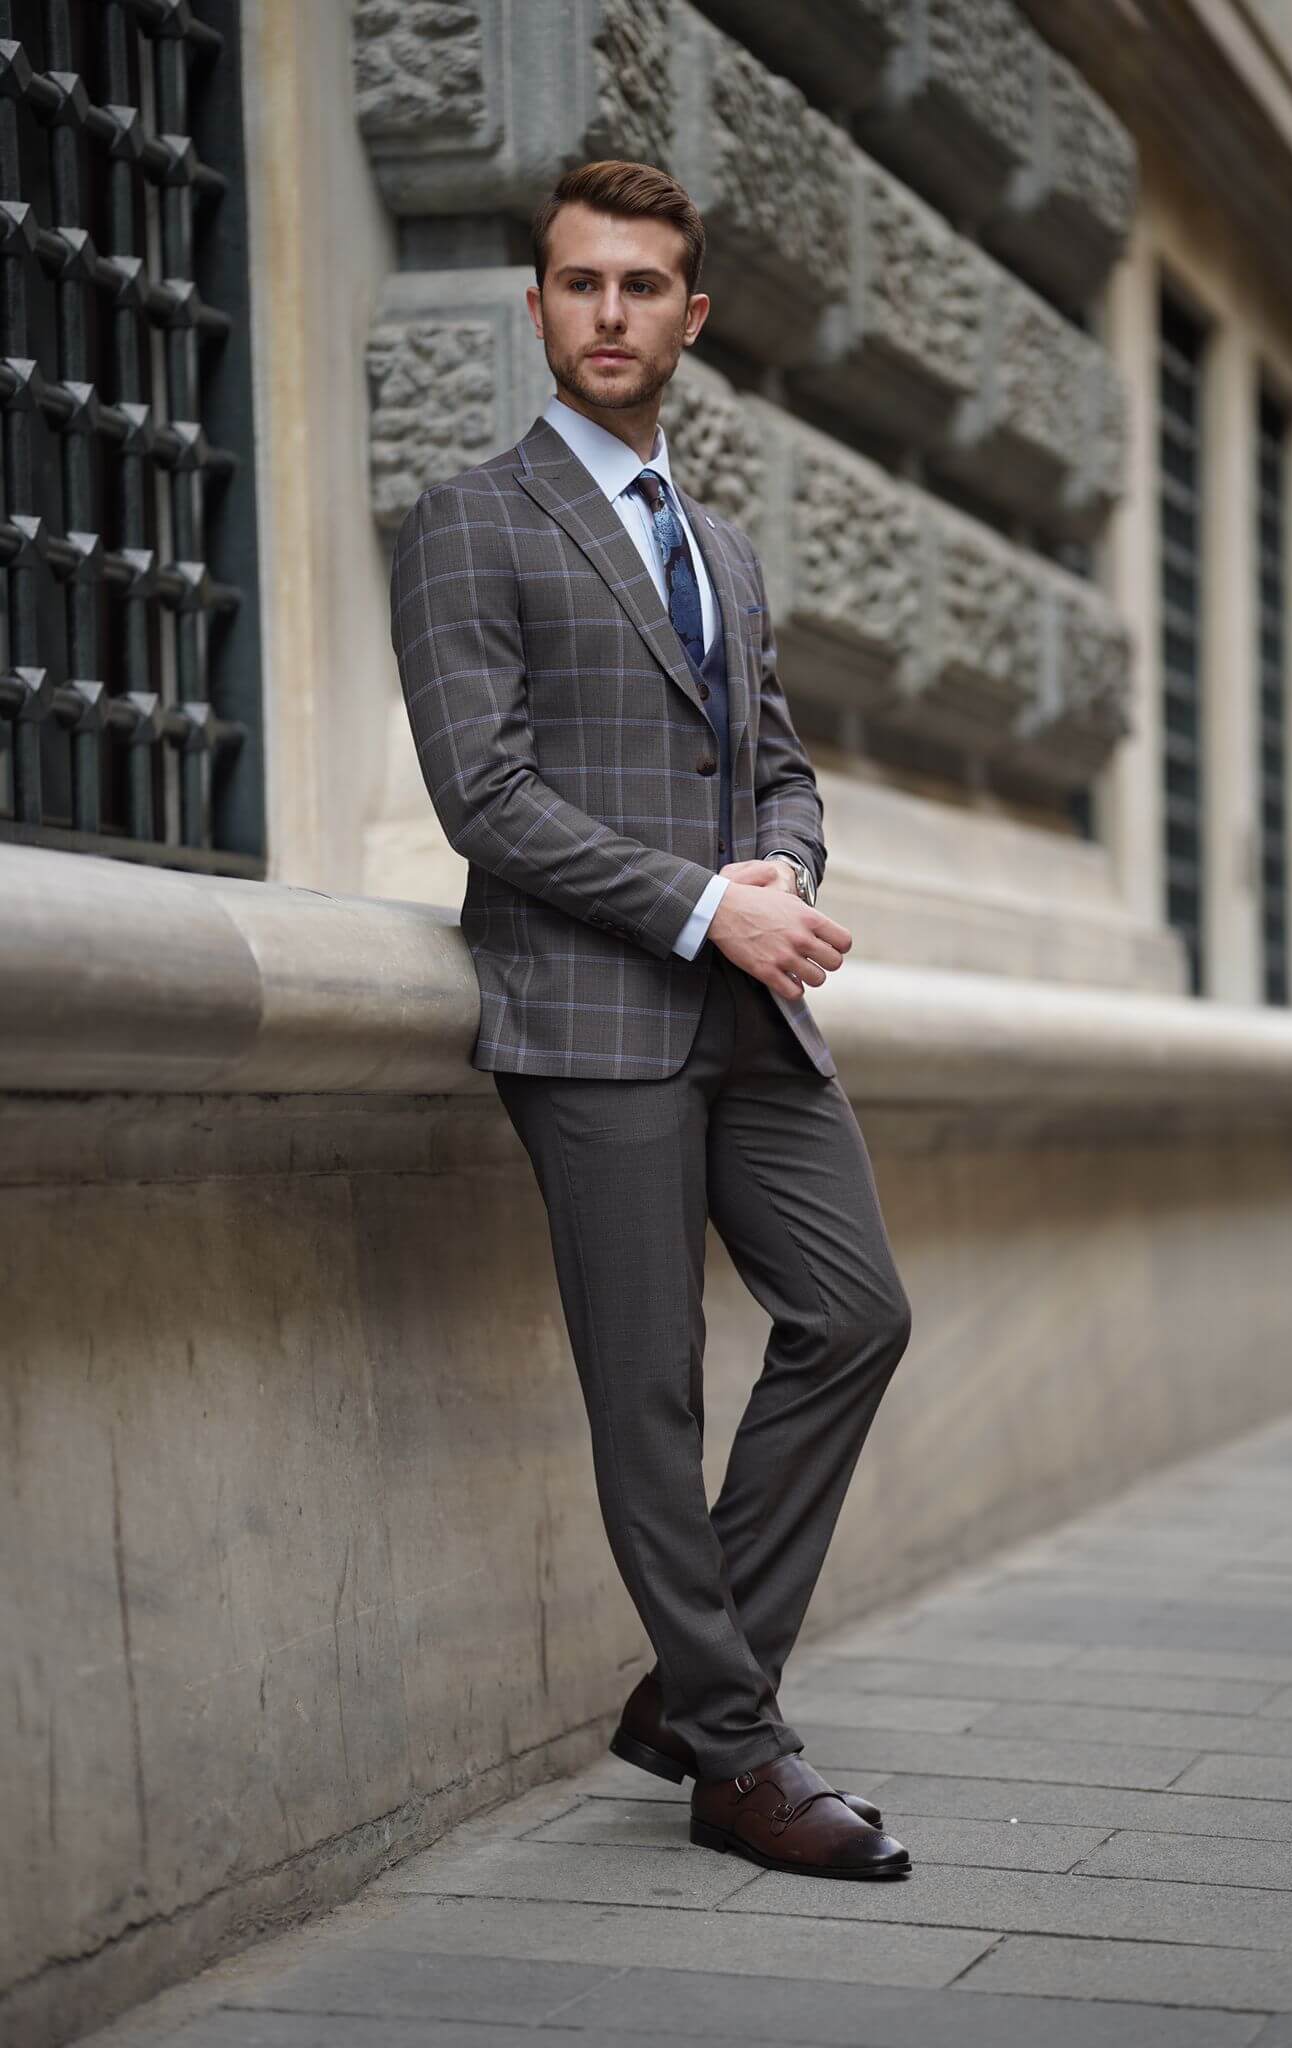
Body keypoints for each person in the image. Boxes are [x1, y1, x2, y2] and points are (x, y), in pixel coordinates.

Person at [389, 158, 912, 1879]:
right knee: (651, 1396)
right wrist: (707, 907)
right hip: (591, 1016)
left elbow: (775, 764)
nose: (608, 313)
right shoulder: (472, 517)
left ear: (693, 315)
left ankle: (692, 1689)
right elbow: (487, 794)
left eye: (641, 287)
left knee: (854, 1314)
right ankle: (739, 1757)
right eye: (578, 284)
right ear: (539, 306)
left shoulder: (726, 546)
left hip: (748, 1024)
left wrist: (781, 863)